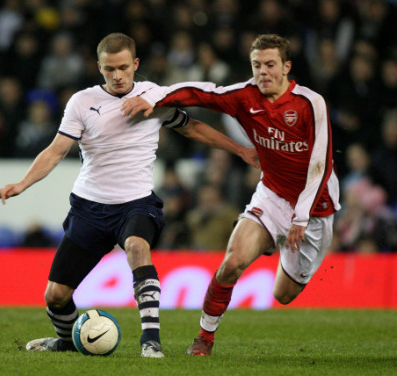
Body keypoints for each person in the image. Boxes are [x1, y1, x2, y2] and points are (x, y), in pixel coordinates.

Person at [0, 32, 257, 358]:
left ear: (136, 64)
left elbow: (192, 127)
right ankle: (69, 342)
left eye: (123, 68)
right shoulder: (82, 102)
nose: (117, 76)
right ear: (98, 67)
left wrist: (240, 150)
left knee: (136, 247)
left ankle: (151, 342)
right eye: (109, 69)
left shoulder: (153, 97)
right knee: (55, 296)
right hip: (89, 206)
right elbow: (57, 151)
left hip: (137, 203)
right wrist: (22, 182)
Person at [122, 33, 341, 356]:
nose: (263, 72)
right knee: (231, 263)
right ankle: (204, 339)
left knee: (283, 294)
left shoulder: (310, 103)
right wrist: (155, 102)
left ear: (286, 67)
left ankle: (274, 243)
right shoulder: (244, 96)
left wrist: (302, 216)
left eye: (270, 65)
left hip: (315, 206)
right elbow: (200, 93)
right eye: (257, 65)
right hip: (272, 195)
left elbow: (320, 166)